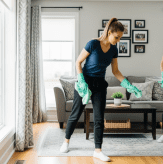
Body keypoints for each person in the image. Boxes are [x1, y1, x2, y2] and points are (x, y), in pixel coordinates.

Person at [59, 17, 142, 162]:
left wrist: (128, 85)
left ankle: (97, 150)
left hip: (99, 85)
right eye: (117, 37)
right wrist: (81, 81)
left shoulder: (114, 49)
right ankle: (66, 141)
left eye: (120, 38)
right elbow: (78, 62)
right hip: (84, 82)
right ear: (109, 32)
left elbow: (116, 71)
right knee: (75, 114)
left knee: (98, 118)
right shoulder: (93, 44)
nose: (118, 40)